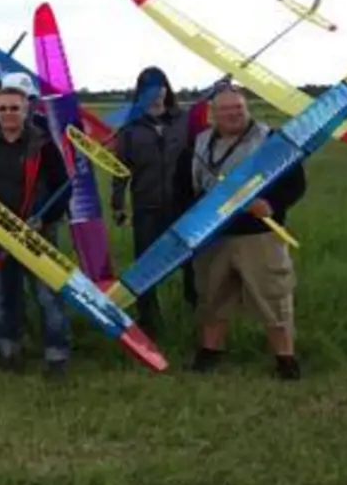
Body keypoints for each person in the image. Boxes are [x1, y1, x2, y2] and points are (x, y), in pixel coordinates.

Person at [176, 86, 306, 380]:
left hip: (259, 236)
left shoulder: (271, 141)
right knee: (212, 296)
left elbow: (296, 182)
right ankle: (209, 354)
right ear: (214, 115)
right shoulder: (198, 146)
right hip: (213, 236)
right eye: (225, 110)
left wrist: (271, 205)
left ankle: (286, 360)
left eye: (238, 108)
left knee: (274, 296)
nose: (233, 114)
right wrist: (191, 223)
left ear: (247, 109)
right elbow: (183, 189)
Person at [0, 74, 71, 376]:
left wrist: (45, 220)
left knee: (46, 296)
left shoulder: (44, 145)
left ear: (27, 110)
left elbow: (64, 188)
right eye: (3, 109)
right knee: (4, 294)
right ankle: (8, 351)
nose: (9, 114)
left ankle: (56, 356)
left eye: (15, 108)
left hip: (37, 232)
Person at [111, 66, 197, 336]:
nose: (155, 92)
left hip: (183, 205)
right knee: (146, 265)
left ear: (166, 88)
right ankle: (150, 322)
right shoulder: (129, 127)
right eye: (148, 87)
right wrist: (117, 203)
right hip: (146, 205)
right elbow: (119, 168)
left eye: (159, 85)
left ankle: (196, 314)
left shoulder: (183, 120)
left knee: (192, 263)